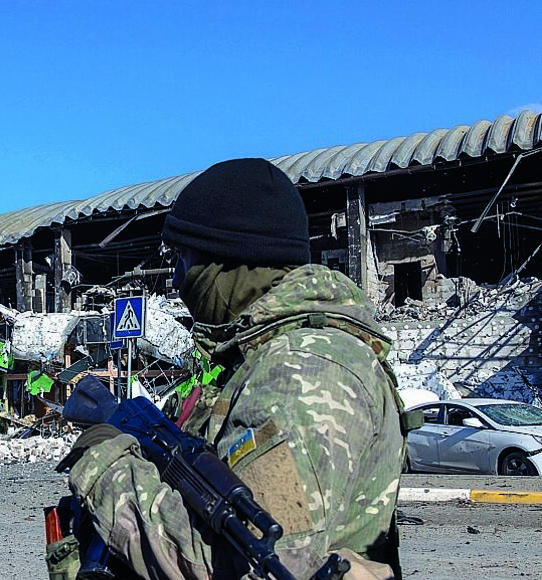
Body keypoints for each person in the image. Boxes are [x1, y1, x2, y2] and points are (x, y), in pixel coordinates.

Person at [57, 158, 407, 580]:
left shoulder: (302, 371)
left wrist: (103, 460)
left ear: (227, 264)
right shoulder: (269, 358)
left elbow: (231, 562)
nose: (175, 280)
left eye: (183, 260)